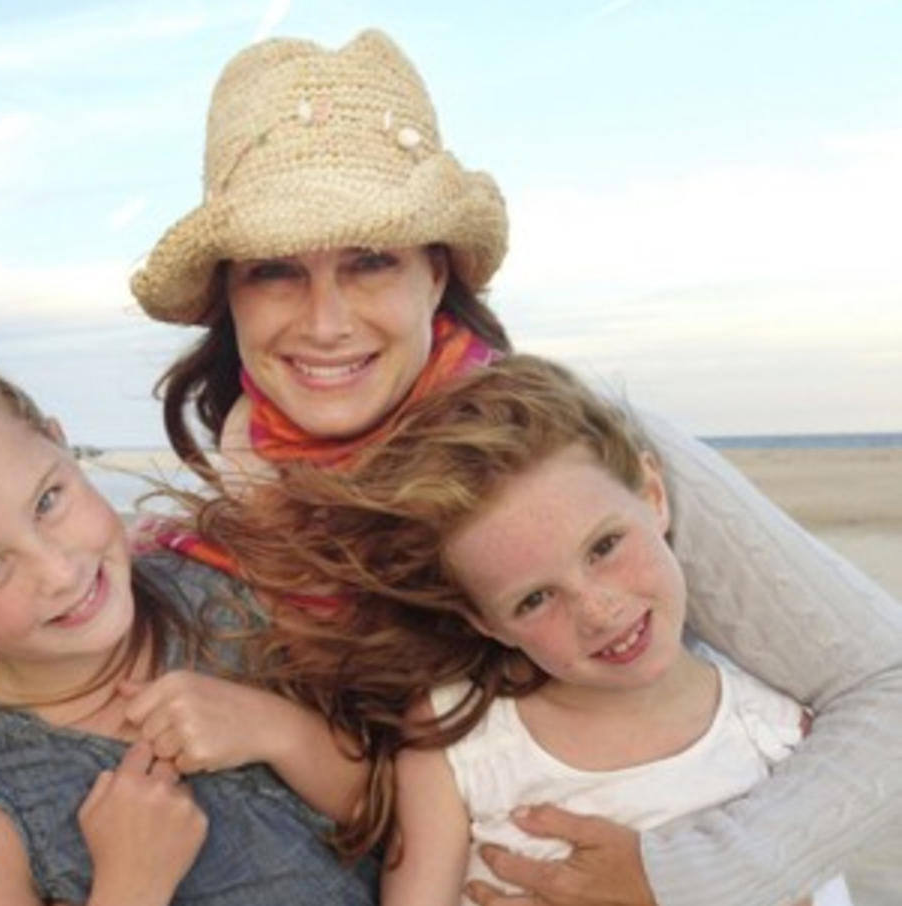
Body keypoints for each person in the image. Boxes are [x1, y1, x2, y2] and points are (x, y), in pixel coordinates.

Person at [129, 27, 902, 906]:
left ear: (437, 273)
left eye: (369, 260)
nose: (327, 321)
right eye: (275, 271)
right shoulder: (220, 538)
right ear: (227, 300)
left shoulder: (583, 461)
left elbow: (888, 685)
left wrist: (672, 875)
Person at [196, 354, 854, 906]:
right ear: (483, 620)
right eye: (536, 598)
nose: (597, 610)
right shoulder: (457, 739)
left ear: (653, 495)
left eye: (603, 547)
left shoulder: (775, 731)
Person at [0, 334, 377, 906]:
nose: (58, 572)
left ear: (61, 443)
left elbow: (400, 810)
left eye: (48, 501)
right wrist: (129, 886)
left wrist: (276, 730)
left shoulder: (221, 590)